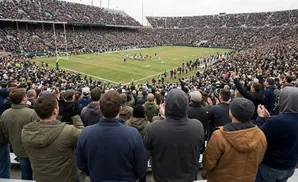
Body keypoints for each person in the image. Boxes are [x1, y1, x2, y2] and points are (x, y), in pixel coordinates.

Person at [76, 91, 148, 181]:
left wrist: (94, 174)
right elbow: (141, 167)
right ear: (120, 110)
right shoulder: (133, 134)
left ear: (100, 109)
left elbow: (81, 164)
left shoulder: (85, 133)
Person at [144, 89, 204, 182]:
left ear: (166, 106)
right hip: (187, 178)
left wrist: (163, 117)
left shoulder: (155, 127)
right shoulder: (197, 126)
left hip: (161, 178)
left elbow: (147, 152)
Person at [22, 94, 84, 182]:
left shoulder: (26, 130)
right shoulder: (68, 131)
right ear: (55, 111)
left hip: (41, 177)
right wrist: (75, 116)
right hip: (67, 178)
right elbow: (84, 138)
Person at [203, 98, 267, 182]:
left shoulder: (219, 136)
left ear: (231, 112)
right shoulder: (260, 135)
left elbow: (208, 163)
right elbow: (259, 159)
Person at [255, 87, 298, 182]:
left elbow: (257, 134)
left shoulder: (277, 121)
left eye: (280, 98)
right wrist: (269, 118)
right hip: (290, 167)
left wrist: (261, 117)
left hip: (271, 166)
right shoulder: (276, 120)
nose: (278, 100)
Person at [0, 88, 39, 180]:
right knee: (37, 174)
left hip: (18, 148)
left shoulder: (5, 113)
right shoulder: (32, 113)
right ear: (24, 98)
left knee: (25, 174)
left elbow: (5, 133)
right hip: (33, 149)